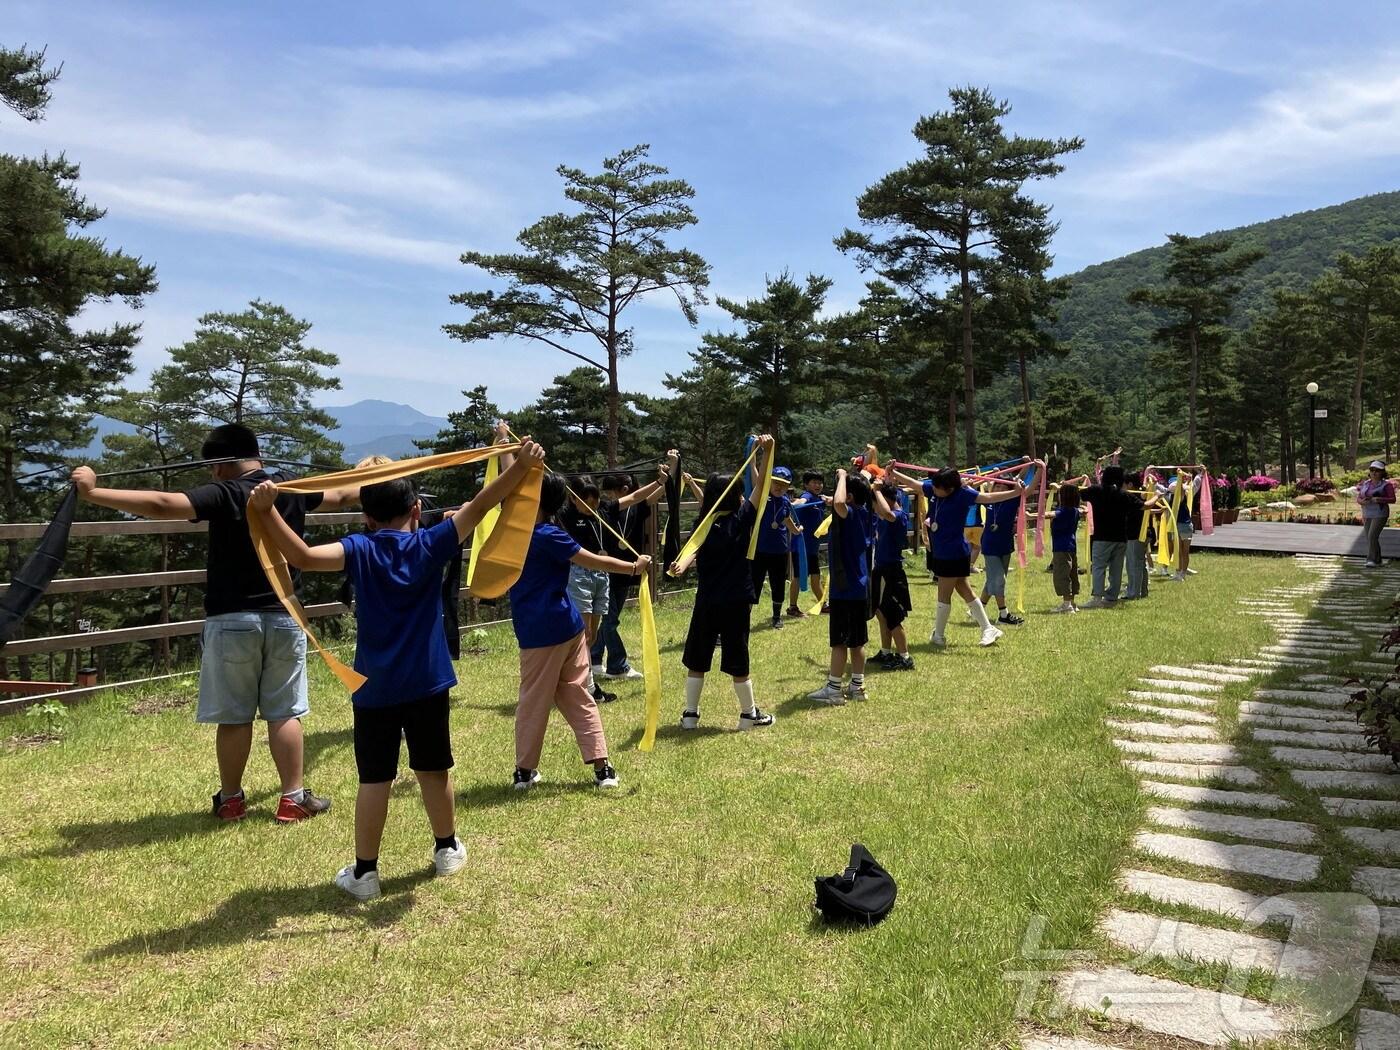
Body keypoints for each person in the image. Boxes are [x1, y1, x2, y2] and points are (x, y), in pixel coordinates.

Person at [246, 439, 543, 900]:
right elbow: (487, 502)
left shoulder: (359, 548)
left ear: (366, 517)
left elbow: (301, 556)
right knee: (434, 769)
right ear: (417, 509)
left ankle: (365, 873)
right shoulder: (431, 543)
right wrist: (521, 466)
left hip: (374, 688)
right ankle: (446, 849)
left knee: (374, 778)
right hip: (427, 682)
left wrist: (267, 513)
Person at [71, 424, 359, 823]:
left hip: (231, 619)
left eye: (212, 467)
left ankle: (231, 800)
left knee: (235, 716)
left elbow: (161, 503)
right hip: (285, 616)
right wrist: (384, 478)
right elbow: (344, 493)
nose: (211, 474)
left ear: (224, 464)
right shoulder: (287, 489)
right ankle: (292, 798)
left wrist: (92, 492)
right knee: (285, 712)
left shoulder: (227, 492)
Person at [509, 468, 651, 792]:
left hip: (537, 634)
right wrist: (633, 566)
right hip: (567, 628)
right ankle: (603, 769)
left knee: (533, 701)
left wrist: (508, 450)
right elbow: (593, 561)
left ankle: (524, 772)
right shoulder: (551, 534)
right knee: (578, 696)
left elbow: (590, 561)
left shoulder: (514, 530)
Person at [669, 434, 777, 731]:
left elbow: (692, 550)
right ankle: (748, 716)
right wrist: (765, 453)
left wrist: (682, 565)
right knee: (737, 654)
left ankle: (690, 715)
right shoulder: (742, 518)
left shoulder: (703, 524)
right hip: (736, 599)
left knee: (697, 656)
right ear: (733, 496)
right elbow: (763, 485)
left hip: (708, 599)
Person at [893, 466, 1025, 648]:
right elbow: (914, 484)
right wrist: (893, 472)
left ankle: (938, 636)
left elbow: (989, 498)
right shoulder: (934, 489)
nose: (934, 489)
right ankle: (988, 628)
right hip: (944, 552)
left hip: (953, 553)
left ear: (950, 489)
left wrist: (1016, 492)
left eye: (939, 488)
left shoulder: (962, 495)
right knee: (965, 590)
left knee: (943, 595)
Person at [807, 469, 895, 704]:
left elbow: (838, 502)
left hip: (844, 589)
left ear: (850, 496)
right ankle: (858, 687)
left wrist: (843, 476)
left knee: (839, 642)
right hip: (859, 587)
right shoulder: (865, 514)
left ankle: (834, 689)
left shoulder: (850, 513)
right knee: (857, 643)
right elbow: (836, 502)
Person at [590, 455, 676, 681]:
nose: (607, 497)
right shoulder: (608, 508)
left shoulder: (637, 506)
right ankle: (616, 665)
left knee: (607, 617)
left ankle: (595, 659)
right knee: (608, 619)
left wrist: (668, 473)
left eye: (610, 492)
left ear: (624, 488)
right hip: (608, 567)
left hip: (627, 569)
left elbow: (653, 494)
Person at [978, 460, 1034, 626]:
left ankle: (977, 609)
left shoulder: (1012, 501)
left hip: (1005, 545)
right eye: (997, 486)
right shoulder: (987, 499)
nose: (999, 489)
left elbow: (1028, 489)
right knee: (999, 580)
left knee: (993, 581)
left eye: (1003, 487)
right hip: (989, 546)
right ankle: (1003, 614)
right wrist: (991, 475)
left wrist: (1036, 469)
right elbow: (976, 487)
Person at [871, 479, 914, 670]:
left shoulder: (899, 515)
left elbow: (888, 513)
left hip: (893, 572)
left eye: (876, 503)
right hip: (880, 570)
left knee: (893, 616)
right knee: (881, 613)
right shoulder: (881, 517)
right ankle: (886, 652)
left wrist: (877, 491)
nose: (874, 508)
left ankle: (905, 657)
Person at [752, 465, 801, 630]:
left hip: (779, 550)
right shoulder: (762, 496)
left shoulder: (786, 502)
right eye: (776, 483)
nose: (779, 487)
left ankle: (776, 616)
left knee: (778, 583)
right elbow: (756, 479)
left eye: (784, 484)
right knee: (754, 583)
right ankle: (744, 616)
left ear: (788, 486)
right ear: (769, 482)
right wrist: (753, 462)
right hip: (759, 549)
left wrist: (796, 531)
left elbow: (787, 521)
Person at [1080, 465, 1134, 608]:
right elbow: (1143, 505)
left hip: (1102, 537)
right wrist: (1157, 497)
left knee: (1098, 567)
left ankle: (1097, 598)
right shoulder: (1124, 495)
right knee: (1116, 569)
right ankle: (1111, 598)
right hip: (1120, 538)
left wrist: (1063, 486)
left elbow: (1079, 494)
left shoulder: (1096, 490)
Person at [787, 471, 829, 617]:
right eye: (814, 482)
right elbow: (801, 501)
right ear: (806, 485)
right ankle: (792, 607)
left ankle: (823, 605)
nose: (818, 485)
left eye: (820, 482)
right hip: (801, 546)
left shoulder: (819, 499)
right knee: (798, 577)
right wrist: (794, 502)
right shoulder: (808, 496)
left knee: (816, 576)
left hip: (812, 547)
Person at [1122, 472, 1155, 600]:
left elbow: (1146, 506)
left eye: (1123, 484)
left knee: (1134, 565)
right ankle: (1142, 591)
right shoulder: (1140, 495)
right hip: (1139, 534)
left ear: (1130, 484)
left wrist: (1156, 495)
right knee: (1140, 564)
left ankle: (1133, 593)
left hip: (1135, 535)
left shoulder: (1132, 497)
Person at [1051, 483, 1083, 613]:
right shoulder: (1075, 510)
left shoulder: (1062, 511)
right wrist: (1060, 488)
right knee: (1072, 573)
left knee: (1062, 574)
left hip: (1061, 547)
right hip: (1071, 546)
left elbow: (1049, 514)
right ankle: (1072, 602)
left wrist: (1032, 516)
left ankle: (1067, 605)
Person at [1358, 460, 1395, 568]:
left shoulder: (1386, 485)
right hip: (1367, 512)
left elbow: (1392, 499)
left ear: (1382, 472)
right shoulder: (1366, 483)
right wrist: (1361, 501)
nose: (1374, 472)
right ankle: (1378, 560)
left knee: (1372, 536)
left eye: (1377, 470)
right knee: (1369, 537)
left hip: (1380, 513)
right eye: (1372, 470)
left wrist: (1378, 499)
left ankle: (1371, 560)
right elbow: (1359, 497)